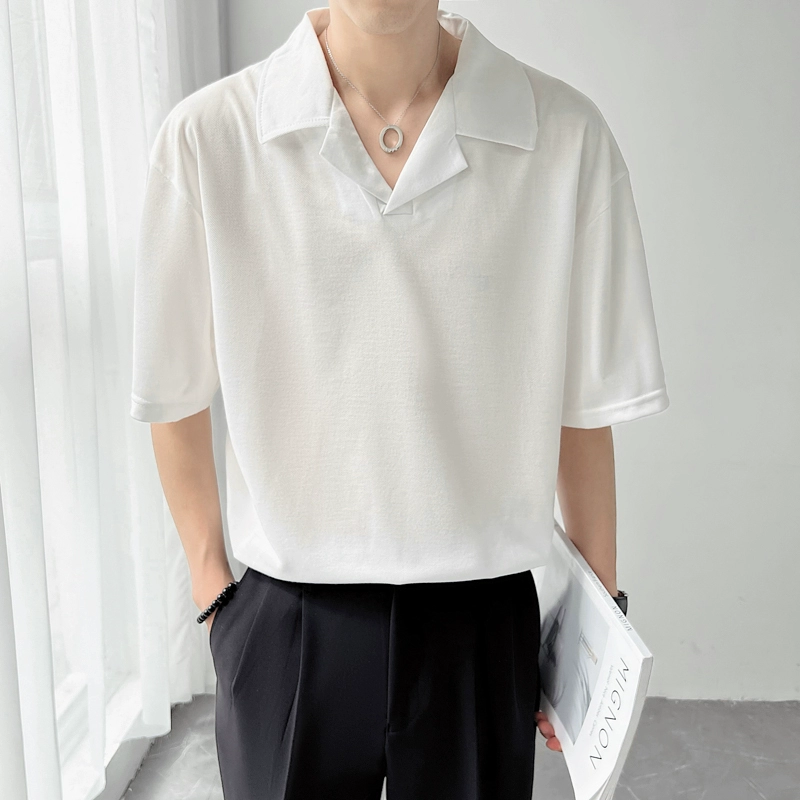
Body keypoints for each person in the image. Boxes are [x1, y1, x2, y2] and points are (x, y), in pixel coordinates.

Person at [129, 2, 670, 798]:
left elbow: (582, 411)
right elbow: (171, 390)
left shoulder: (563, 136)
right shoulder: (210, 138)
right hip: (287, 622)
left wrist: (595, 632)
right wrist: (216, 596)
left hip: (479, 624)